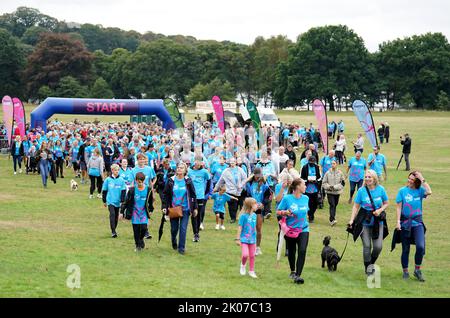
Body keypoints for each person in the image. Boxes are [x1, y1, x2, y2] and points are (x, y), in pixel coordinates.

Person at [348, 170, 389, 275]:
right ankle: (368, 268)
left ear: (374, 178)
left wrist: (380, 210)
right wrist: (352, 219)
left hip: (377, 221)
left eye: (369, 177)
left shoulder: (381, 189)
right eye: (366, 177)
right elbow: (356, 206)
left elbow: (386, 203)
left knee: (378, 247)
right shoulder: (361, 191)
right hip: (364, 221)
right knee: (367, 246)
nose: (367, 179)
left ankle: (370, 263)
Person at [395, 171, 432, 282]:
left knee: (420, 247)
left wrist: (422, 179)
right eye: (409, 178)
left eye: (413, 179)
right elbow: (398, 207)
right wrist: (397, 221)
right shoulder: (402, 191)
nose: (410, 181)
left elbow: (429, 192)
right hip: (405, 223)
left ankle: (417, 270)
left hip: (418, 223)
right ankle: (405, 271)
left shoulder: (420, 190)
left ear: (417, 181)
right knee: (405, 249)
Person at [277, 178, 310, 284]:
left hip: (304, 228)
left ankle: (298, 275)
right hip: (290, 230)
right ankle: (292, 270)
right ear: (297, 187)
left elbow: (306, 212)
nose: (305, 186)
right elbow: (277, 211)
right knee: (292, 251)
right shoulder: (287, 198)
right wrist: (285, 212)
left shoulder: (306, 198)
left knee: (302, 250)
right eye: (304, 185)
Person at [162, 162, 198, 255]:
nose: (179, 169)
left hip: (185, 209)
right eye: (178, 167)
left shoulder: (188, 181)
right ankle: (174, 240)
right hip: (173, 209)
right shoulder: (171, 180)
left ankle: (181, 248)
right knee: (174, 229)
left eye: (181, 168)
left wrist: (195, 208)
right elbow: (165, 195)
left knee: (183, 228)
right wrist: (164, 207)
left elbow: (193, 195)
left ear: (185, 170)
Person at [121, 171, 154, 251]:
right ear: (135, 180)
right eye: (138, 182)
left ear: (144, 181)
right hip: (134, 213)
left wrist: (150, 209)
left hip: (143, 213)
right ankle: (137, 246)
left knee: (143, 228)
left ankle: (141, 239)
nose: (140, 183)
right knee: (136, 230)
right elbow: (126, 201)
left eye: (141, 182)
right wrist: (121, 212)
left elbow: (150, 201)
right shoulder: (132, 190)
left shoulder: (148, 190)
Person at [244, 167, 272, 256]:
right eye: (256, 176)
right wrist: (250, 203)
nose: (258, 177)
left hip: (259, 209)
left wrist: (263, 204)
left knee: (258, 228)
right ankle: (249, 246)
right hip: (250, 208)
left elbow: (268, 196)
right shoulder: (249, 183)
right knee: (249, 228)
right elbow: (246, 195)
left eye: (259, 175)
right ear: (254, 175)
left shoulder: (264, 184)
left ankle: (258, 247)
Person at [214, 158, 247, 223]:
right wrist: (216, 188)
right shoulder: (226, 171)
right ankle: (233, 218)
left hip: (240, 190)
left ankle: (242, 219)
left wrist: (242, 184)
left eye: (233, 162)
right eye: (231, 162)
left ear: (236, 162)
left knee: (242, 205)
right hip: (230, 190)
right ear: (229, 163)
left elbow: (245, 178)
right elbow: (221, 181)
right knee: (232, 206)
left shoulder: (240, 170)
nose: (232, 163)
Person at [187, 160, 211, 241]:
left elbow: (209, 180)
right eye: (197, 164)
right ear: (194, 164)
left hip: (201, 196)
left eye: (200, 164)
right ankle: (195, 234)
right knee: (194, 214)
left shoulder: (204, 172)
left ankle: (197, 232)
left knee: (199, 214)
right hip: (192, 197)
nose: (199, 165)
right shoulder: (189, 171)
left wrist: (206, 191)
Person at [102, 164, 127, 238]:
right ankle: (113, 231)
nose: (117, 172)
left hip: (118, 201)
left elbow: (123, 191)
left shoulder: (121, 180)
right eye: (115, 170)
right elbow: (104, 190)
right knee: (112, 214)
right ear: (112, 171)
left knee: (116, 216)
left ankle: (114, 229)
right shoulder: (108, 180)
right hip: (110, 201)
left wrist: (122, 201)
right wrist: (104, 201)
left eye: (118, 170)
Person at [236, 197, 258, 279]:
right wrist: (238, 239)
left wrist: (255, 238)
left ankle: (251, 271)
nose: (257, 205)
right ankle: (243, 265)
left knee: (252, 255)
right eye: (255, 204)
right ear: (251, 206)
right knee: (245, 255)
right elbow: (240, 228)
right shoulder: (243, 216)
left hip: (253, 239)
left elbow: (254, 227)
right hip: (244, 239)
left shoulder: (255, 216)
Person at [322, 160, 345, 226]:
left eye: (334, 163)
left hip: (337, 192)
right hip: (329, 192)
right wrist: (329, 187)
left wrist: (335, 187)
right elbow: (324, 183)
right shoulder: (327, 173)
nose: (332, 165)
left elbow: (342, 183)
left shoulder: (340, 173)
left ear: (337, 164)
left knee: (335, 205)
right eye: (331, 163)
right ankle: (332, 219)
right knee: (332, 205)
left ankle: (332, 218)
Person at [301, 156, 321, 223]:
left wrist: (316, 181)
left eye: (313, 162)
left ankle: (312, 213)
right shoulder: (305, 167)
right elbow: (302, 178)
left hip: (315, 189)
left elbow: (319, 178)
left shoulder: (317, 167)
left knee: (315, 204)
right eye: (310, 162)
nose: (312, 163)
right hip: (307, 189)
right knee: (309, 203)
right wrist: (307, 180)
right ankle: (310, 216)